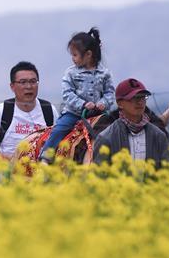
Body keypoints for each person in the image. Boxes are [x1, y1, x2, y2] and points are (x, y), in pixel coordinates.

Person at [39, 27, 115, 162]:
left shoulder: (105, 73)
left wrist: (103, 103)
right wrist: (83, 104)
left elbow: (110, 92)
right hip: (74, 113)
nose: (72, 59)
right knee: (59, 129)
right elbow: (67, 94)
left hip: (99, 113)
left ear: (88, 54)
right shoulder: (70, 73)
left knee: (117, 128)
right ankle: (46, 155)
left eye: (75, 55)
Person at [0, 61, 58, 160]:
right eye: (23, 82)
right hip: (9, 173)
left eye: (33, 81)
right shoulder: (2, 111)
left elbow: (59, 144)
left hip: (41, 173)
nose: (29, 87)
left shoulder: (49, 110)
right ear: (12, 86)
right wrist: (10, 163)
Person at [94, 78, 169, 166]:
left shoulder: (159, 136)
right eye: (133, 98)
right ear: (120, 103)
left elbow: (167, 171)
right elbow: (99, 174)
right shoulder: (105, 138)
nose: (140, 102)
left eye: (143, 97)